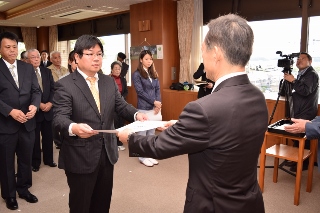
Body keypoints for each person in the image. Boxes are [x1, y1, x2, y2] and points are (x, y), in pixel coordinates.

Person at [118, 14, 268, 213]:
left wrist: (129, 138)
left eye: (203, 50)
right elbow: (225, 131)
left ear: (215, 53)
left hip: (214, 205)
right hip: (249, 202)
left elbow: (158, 147)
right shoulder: (257, 96)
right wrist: (182, 126)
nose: (202, 57)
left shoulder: (204, 108)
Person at [52, 34, 147, 213]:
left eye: (99, 54)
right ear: (77, 58)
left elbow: (120, 105)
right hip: (80, 155)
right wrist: (74, 128)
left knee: (102, 203)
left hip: (106, 154)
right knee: (81, 205)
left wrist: (136, 114)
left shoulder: (107, 81)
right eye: (90, 54)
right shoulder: (65, 85)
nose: (96, 58)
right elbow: (59, 118)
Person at [0, 31, 41, 210]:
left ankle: (23, 189)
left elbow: (36, 91)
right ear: (0, 49)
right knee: (7, 161)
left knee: (26, 159)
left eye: (14, 47)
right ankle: (9, 195)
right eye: (7, 47)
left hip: (27, 123)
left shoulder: (27, 67)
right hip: (6, 124)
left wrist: (35, 106)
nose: (12, 50)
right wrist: (9, 111)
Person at [283, 52, 319, 171]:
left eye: (303, 59)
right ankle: (297, 160)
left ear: (310, 62)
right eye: (298, 59)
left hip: (306, 110)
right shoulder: (301, 74)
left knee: (303, 137)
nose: (299, 60)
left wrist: (293, 80)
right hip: (298, 109)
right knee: (296, 135)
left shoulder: (312, 74)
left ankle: (303, 163)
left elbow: (305, 91)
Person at [25, 49, 56, 172]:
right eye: (33, 57)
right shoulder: (25, 73)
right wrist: (39, 104)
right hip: (34, 111)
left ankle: (49, 160)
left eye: (38, 56)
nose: (37, 59)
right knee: (35, 139)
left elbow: (54, 89)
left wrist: (50, 103)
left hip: (48, 109)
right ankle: (35, 162)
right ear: (27, 60)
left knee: (49, 136)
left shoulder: (47, 71)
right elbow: (26, 93)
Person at [132, 49, 162, 167]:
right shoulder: (137, 74)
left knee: (151, 133)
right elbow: (140, 92)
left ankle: (149, 154)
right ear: (141, 60)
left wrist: (158, 103)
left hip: (154, 108)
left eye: (150, 59)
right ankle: (142, 157)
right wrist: (154, 102)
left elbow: (157, 89)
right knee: (142, 133)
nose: (149, 61)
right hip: (144, 108)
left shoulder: (153, 72)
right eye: (146, 59)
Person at [47, 50, 69, 149]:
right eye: (55, 58)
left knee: (65, 119)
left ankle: (64, 140)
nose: (58, 59)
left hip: (65, 98)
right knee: (55, 120)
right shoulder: (47, 70)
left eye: (59, 57)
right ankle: (57, 142)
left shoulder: (65, 69)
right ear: (51, 59)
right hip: (54, 98)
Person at [110, 61, 128, 151]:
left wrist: (121, 98)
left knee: (121, 123)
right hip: (112, 104)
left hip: (122, 104)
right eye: (116, 69)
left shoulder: (123, 79)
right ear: (112, 70)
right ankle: (114, 143)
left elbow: (126, 91)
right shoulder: (108, 79)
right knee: (115, 123)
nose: (117, 70)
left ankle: (119, 143)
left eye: (119, 69)